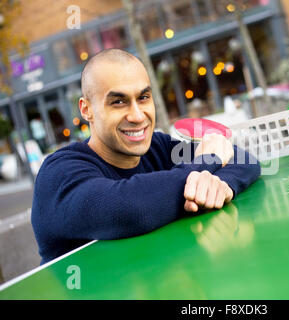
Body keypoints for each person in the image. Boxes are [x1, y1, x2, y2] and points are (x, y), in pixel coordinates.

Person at [32, 49, 261, 264]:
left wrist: (219, 185)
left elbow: (245, 160)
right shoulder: (58, 173)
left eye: (143, 98)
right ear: (86, 109)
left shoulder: (157, 147)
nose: (137, 115)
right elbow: (128, 208)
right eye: (118, 102)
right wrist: (206, 162)